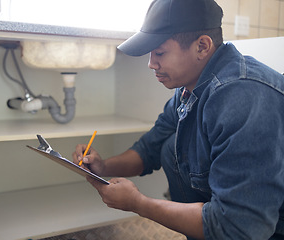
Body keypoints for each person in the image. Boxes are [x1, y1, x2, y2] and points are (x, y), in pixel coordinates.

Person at [72, 0, 284, 239]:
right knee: (168, 146)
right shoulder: (191, 87)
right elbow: (148, 149)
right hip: (234, 225)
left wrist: (138, 203)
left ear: (202, 46)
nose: (151, 63)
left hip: (264, 230)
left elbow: (241, 227)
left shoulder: (243, 98)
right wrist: (103, 167)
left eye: (160, 52)